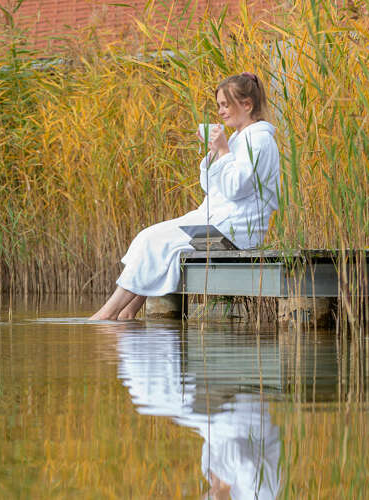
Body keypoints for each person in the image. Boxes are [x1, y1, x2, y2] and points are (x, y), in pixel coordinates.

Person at [90, 72, 280, 321]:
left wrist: (223, 150)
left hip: (237, 229)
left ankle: (106, 314)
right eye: (219, 105)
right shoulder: (238, 139)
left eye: (226, 105)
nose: (221, 111)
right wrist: (214, 152)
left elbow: (236, 189)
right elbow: (211, 187)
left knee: (155, 243)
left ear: (246, 104)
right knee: (147, 237)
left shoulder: (260, 141)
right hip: (217, 220)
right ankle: (126, 313)